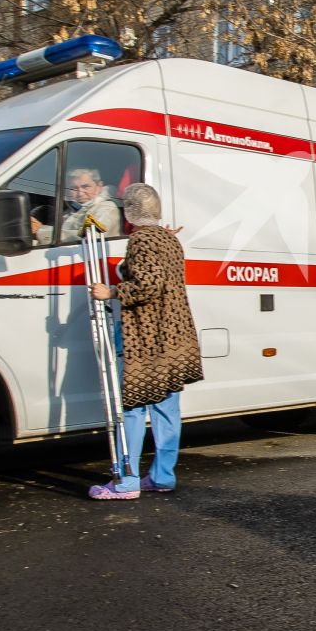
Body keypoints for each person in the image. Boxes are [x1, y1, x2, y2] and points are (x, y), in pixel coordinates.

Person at [85, 183, 204, 500]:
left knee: (135, 407)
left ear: (129, 213)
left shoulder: (141, 239)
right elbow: (157, 275)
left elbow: (147, 284)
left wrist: (110, 291)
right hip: (174, 337)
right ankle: (163, 476)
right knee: (167, 410)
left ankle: (127, 482)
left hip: (148, 338)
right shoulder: (168, 239)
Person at [36, 167, 123, 245]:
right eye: (74, 188)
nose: (80, 193)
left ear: (99, 186)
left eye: (86, 187)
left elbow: (90, 237)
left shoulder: (106, 209)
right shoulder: (72, 211)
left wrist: (41, 232)